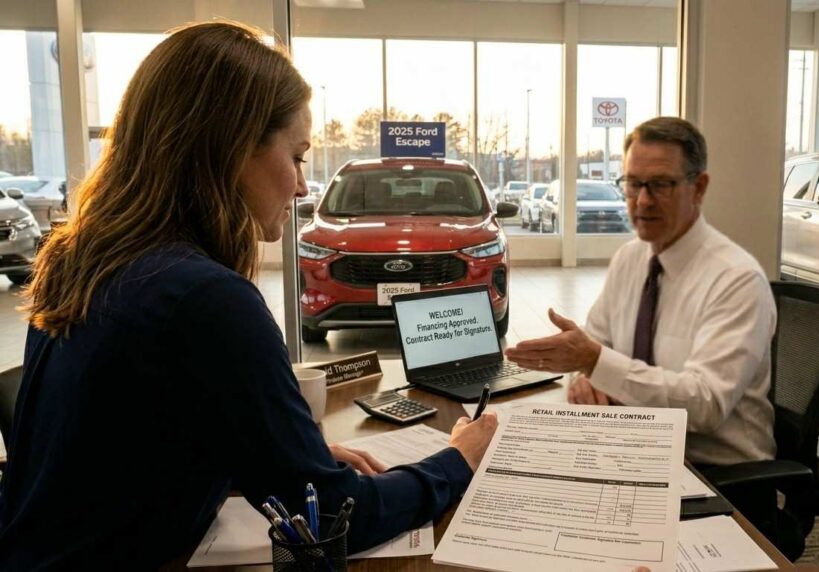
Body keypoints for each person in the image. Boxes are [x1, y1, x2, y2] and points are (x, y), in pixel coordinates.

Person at [0, 22, 497, 570]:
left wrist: (274, 455)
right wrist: (457, 460)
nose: (302, 187)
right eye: (298, 156)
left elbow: (125, 452)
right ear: (234, 148)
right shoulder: (205, 299)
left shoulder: (82, 261)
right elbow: (334, 520)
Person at [505, 116, 776, 467]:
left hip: (713, 473)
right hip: (630, 449)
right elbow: (595, 346)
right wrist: (584, 377)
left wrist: (593, 363)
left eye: (661, 184)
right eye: (633, 184)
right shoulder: (630, 258)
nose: (643, 201)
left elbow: (705, 405)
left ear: (699, 187)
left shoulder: (737, 280)